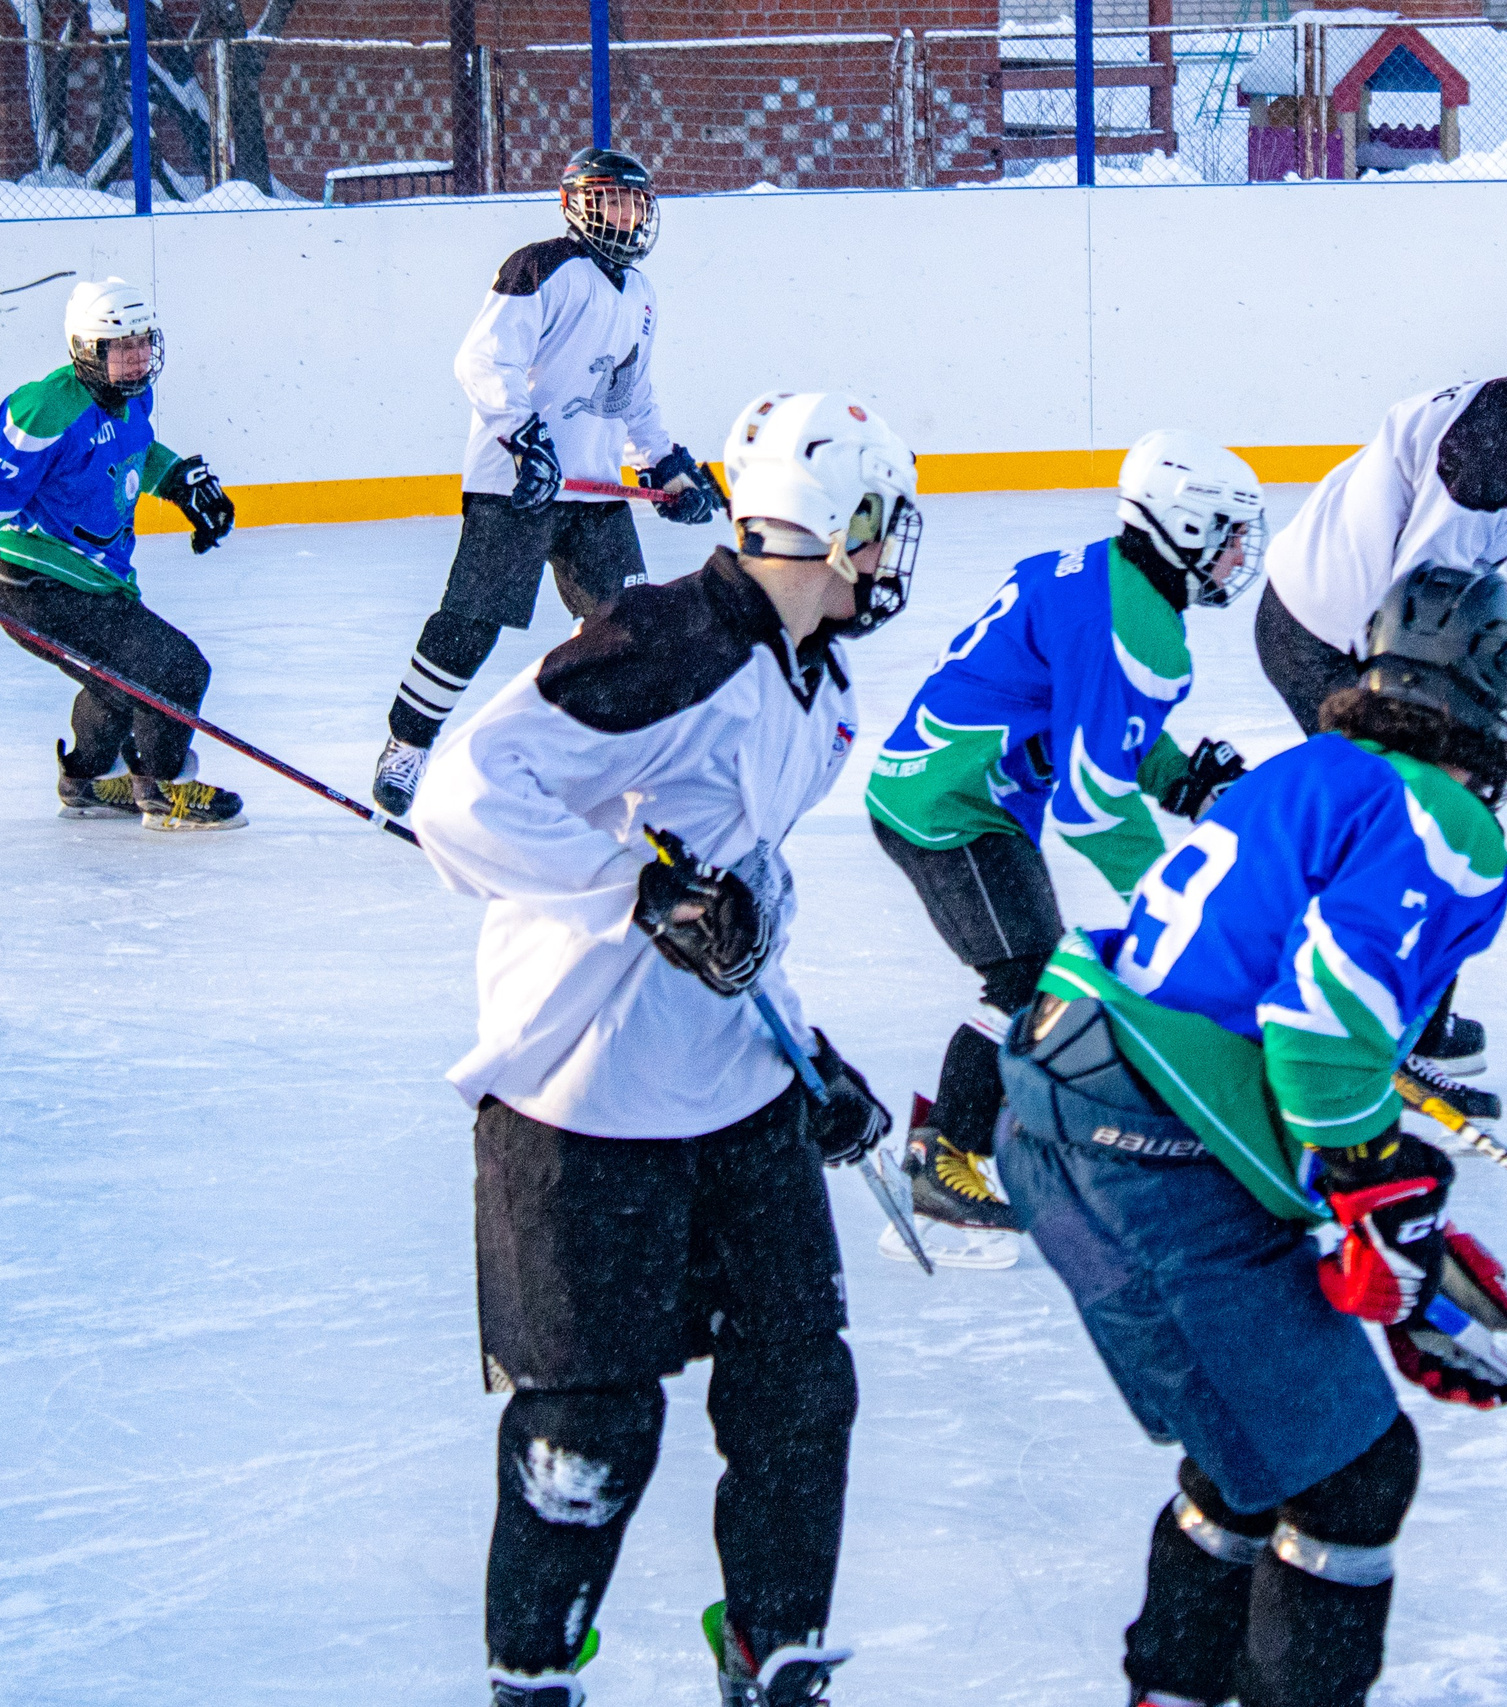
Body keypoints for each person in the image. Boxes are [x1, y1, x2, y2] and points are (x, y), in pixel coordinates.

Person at [410, 391, 921, 1707]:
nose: (893, 557)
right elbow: (462, 794)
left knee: (802, 1391)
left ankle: (776, 1645)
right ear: (835, 527)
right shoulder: (666, 642)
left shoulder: (825, 675)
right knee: (588, 1434)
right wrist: (633, 888)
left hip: (738, 1092)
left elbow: (739, 883)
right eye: (881, 528)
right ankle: (533, 1671)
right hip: (581, 1100)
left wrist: (809, 1056)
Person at [996, 563, 1507, 1707]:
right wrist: (1376, 1184)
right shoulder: (1442, 820)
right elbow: (1318, 1029)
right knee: (1352, 1478)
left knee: (1256, 1456)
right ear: (1486, 691)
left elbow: (1253, 1021)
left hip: (1064, 1117)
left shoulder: (1306, 773)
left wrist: (1387, 1234)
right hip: (1149, 1153)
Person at [861, 431, 1265, 1266]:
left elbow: (1100, 723)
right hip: (953, 807)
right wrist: (1172, 895)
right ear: (1184, 528)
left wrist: (1183, 780)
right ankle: (943, 1158)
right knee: (1027, 975)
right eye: (1226, 532)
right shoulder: (1138, 626)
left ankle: (958, 1143)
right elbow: (1090, 802)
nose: (1236, 555)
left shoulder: (1095, 575)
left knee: (1033, 973)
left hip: (941, 788)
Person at [1251, 295, 1507, 1104]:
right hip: (1324, 631)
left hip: (1384, 624)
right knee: (1414, 819)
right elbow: (1428, 609)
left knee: (1436, 811)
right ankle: (1372, 1025)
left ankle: (1410, 1017)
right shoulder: (1490, 450)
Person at [372, 146, 727, 818]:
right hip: (517, 483)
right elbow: (482, 359)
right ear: (575, 206)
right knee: (472, 622)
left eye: (633, 201)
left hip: (592, 489)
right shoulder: (543, 267)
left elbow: (631, 390)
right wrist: (523, 437)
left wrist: (663, 461)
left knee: (625, 625)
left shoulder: (641, 295)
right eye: (609, 199)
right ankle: (407, 746)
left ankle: (585, 756)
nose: (624, 213)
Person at [0, 275, 246, 830]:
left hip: (99, 582)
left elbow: (135, 451)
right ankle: (163, 787)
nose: (137, 358)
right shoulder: (46, 409)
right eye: (121, 347)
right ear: (84, 349)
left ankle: (89, 781)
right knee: (173, 669)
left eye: (144, 343)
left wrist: (177, 480)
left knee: (116, 681)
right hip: (39, 583)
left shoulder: (133, 394)